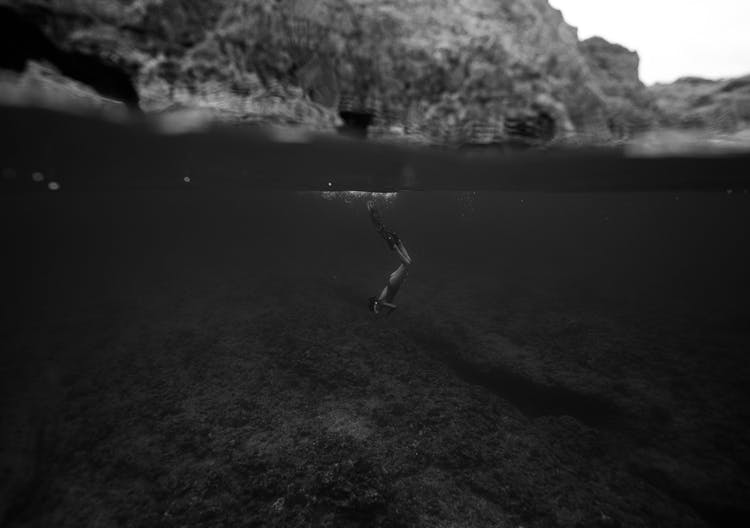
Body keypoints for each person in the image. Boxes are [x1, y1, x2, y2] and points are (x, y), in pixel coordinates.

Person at [367, 200, 412, 316]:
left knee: (407, 264)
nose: (377, 312)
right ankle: (398, 241)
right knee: (409, 262)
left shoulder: (380, 303)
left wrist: (388, 314)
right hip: (392, 282)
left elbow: (394, 306)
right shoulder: (379, 302)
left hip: (392, 284)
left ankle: (395, 246)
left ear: (375, 306)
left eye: (375, 310)